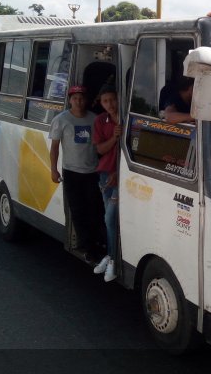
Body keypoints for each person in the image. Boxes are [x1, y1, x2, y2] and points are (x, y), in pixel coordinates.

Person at [49, 85, 101, 263]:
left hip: (93, 171)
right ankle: (87, 247)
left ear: (86, 100)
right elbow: (54, 147)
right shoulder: (61, 120)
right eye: (75, 98)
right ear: (70, 100)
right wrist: (53, 170)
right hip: (71, 172)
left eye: (81, 98)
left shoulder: (94, 119)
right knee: (78, 211)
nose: (78, 101)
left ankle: (94, 243)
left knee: (94, 210)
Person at [92, 84, 121, 282]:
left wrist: (119, 173)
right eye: (105, 101)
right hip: (104, 175)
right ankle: (111, 256)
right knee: (108, 218)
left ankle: (113, 259)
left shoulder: (127, 117)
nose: (109, 104)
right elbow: (100, 149)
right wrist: (114, 137)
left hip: (121, 177)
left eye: (112, 99)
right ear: (101, 103)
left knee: (110, 219)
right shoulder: (100, 120)